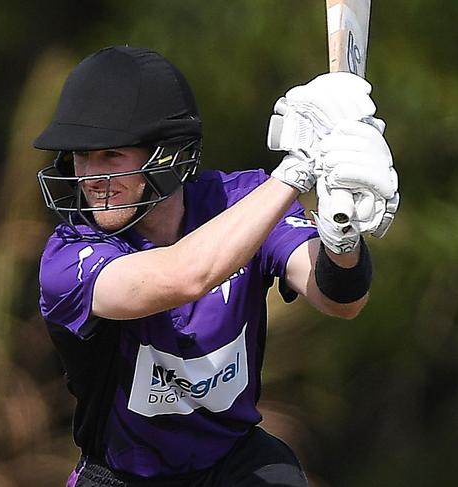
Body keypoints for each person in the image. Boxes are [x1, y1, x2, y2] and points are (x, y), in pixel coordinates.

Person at [33, 46, 399, 487]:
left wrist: (343, 233)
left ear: (169, 155)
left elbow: (340, 299)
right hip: (121, 474)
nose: (90, 176)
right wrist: (299, 170)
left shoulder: (244, 200)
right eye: (80, 155)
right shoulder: (69, 253)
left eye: (111, 155)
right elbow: (184, 276)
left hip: (233, 464)